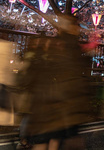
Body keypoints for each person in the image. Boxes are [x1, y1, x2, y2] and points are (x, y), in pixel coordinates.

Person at [21, 15, 92, 150]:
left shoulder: (51, 45)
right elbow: (74, 76)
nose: (78, 29)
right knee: (57, 139)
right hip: (61, 104)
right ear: (71, 27)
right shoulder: (71, 47)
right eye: (76, 26)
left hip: (43, 101)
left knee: (44, 140)